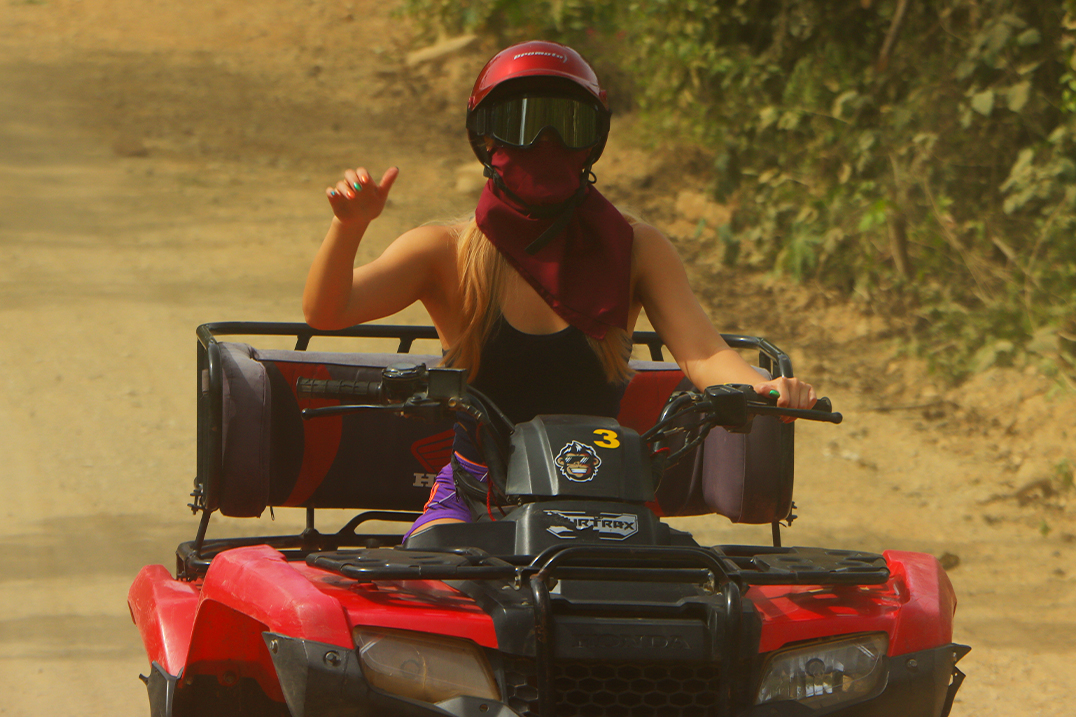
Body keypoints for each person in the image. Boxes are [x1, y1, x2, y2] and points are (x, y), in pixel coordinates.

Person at [303, 40, 816, 538]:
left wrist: (761, 387)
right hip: (473, 491)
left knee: (666, 603)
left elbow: (704, 355)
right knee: (438, 593)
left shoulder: (636, 247)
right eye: (518, 124)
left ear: (592, 142)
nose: (543, 142)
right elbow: (328, 311)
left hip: (607, 492)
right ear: (486, 140)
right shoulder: (445, 251)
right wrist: (348, 227)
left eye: (565, 125)